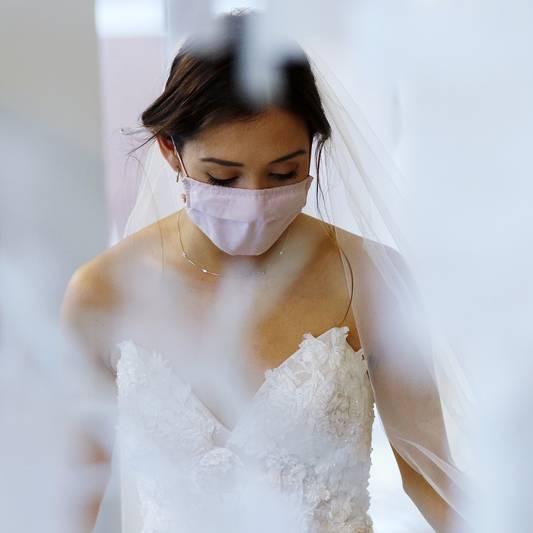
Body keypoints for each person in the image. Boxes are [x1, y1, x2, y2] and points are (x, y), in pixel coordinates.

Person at [60, 10, 466, 533]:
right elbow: (67, 506)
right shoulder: (102, 293)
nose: (254, 201)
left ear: (313, 153)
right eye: (222, 177)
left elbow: (433, 480)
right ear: (171, 152)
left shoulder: (369, 276)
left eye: (284, 173)